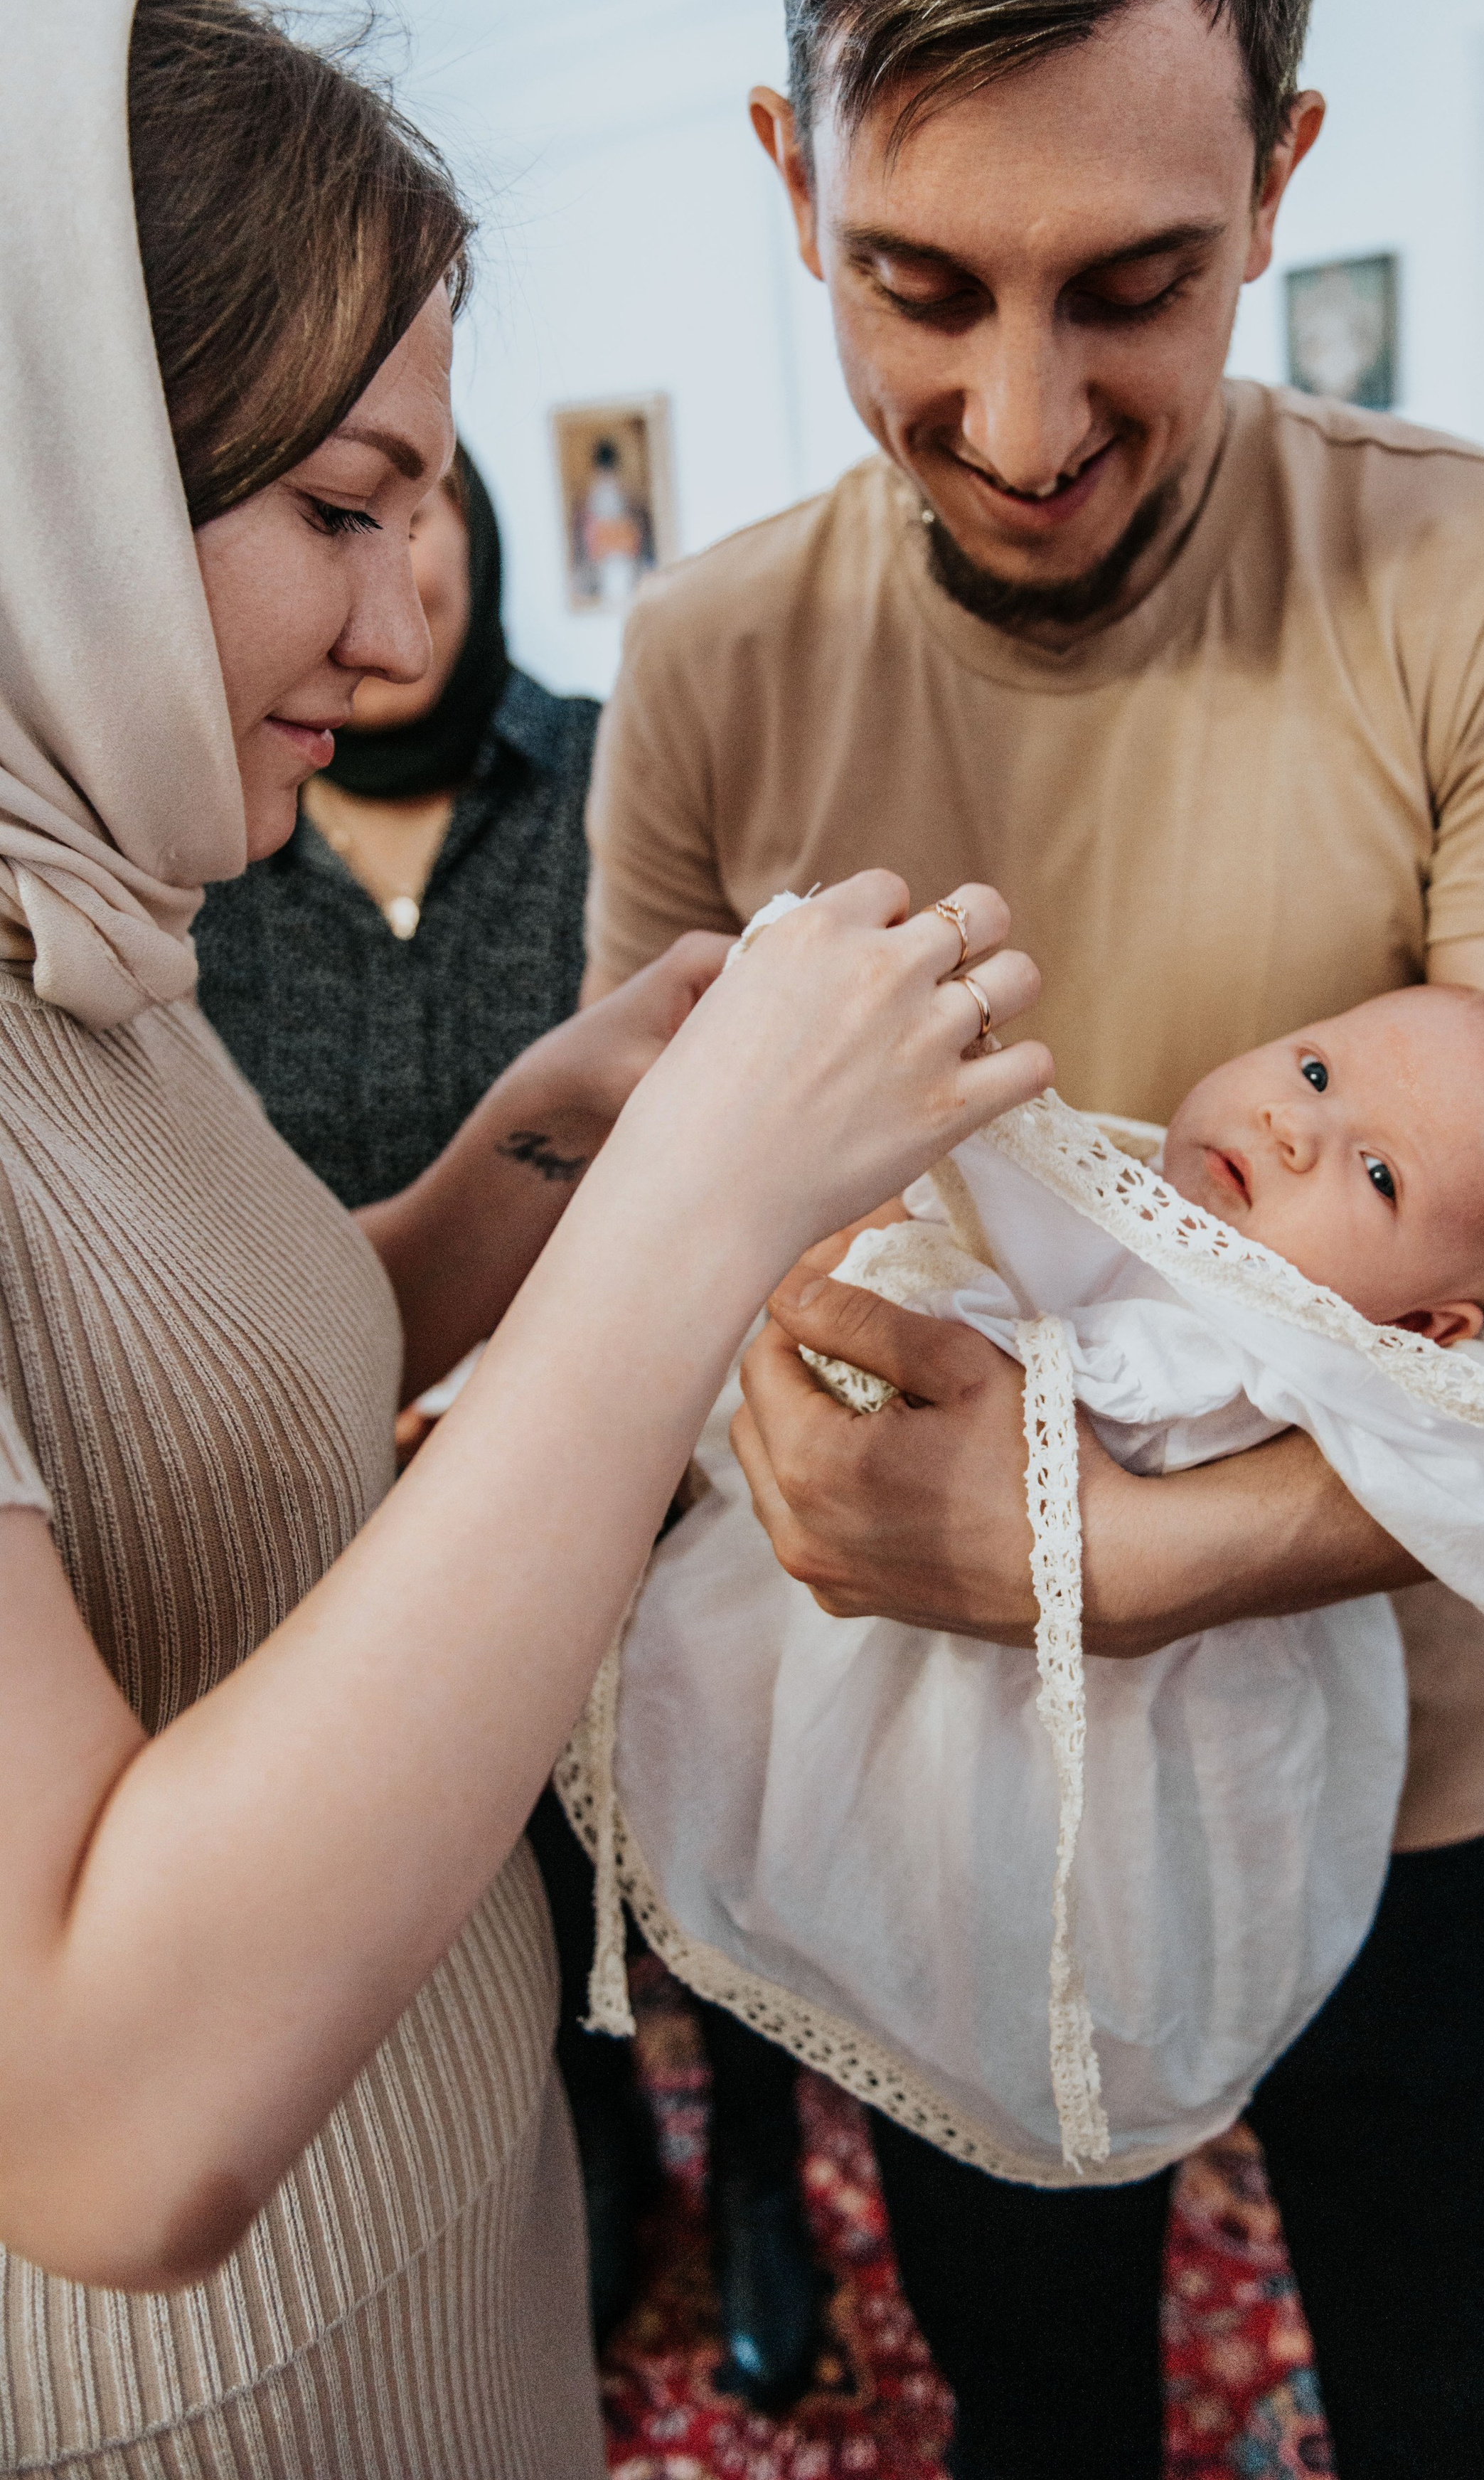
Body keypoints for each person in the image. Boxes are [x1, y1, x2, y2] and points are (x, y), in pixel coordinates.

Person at [581, 0, 1484, 2474]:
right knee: (1037, 2407)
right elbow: (632, 1246)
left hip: (1433, 1783)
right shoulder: (712, 666)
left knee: (1470, 2407)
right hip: (951, 1834)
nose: (1014, 412)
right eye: (914, 280)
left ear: (1288, 163)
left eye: (1135, 282)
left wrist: (1082, 1542)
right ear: (784, 167)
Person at [0, 0, 1044, 2480]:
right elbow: (108, 2107)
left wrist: (530, 1156)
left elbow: (188, 1422)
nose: (395, 621)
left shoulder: (87, 939)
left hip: (452, 2230)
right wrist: (688, 1212)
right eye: (334, 503)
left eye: (426, 508)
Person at [578, 980, 1484, 2182]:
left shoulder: (1268, 1360)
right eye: (1314, 1071)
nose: (1299, 1128)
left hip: (1089, 1759)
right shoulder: (1132, 1185)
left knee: (1016, 1950)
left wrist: (877, 1192)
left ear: (1432, 1327)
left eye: (1379, 1177)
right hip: (910, 1661)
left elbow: (954, 1340)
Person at [191, 442, 821, 2395]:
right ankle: (608, 2136)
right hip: (367, 1490)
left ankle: (773, 2177)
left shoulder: (613, 774)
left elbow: (735, 1118)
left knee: (734, 1831)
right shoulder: (200, 832)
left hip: (663, 1464)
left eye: (413, 506)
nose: (388, 581)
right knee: (512, 1883)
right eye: (319, 516)